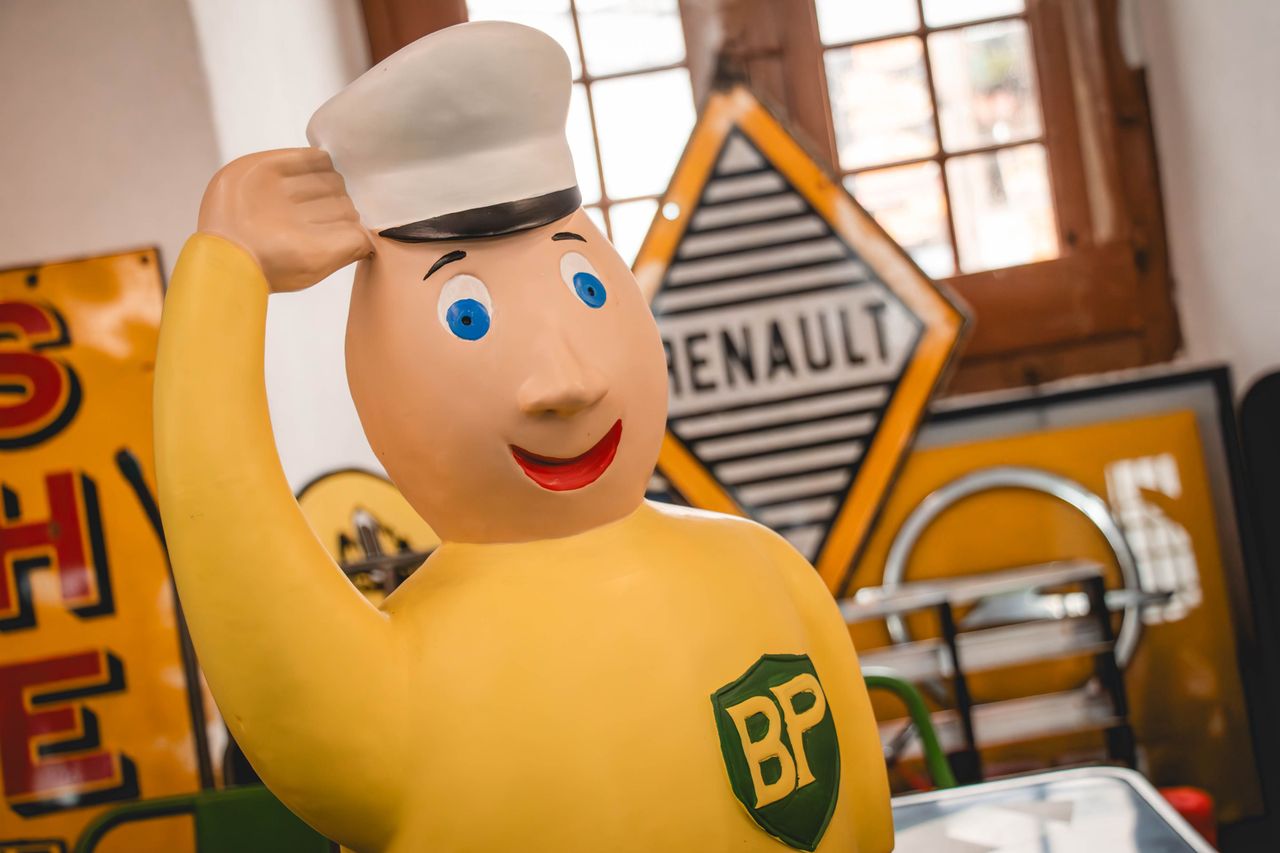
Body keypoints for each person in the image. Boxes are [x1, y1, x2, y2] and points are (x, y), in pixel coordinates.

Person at [154, 21, 891, 853]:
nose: (565, 382)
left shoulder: (768, 570)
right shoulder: (405, 676)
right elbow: (238, 569)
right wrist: (221, 278)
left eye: (586, 286)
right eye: (465, 316)